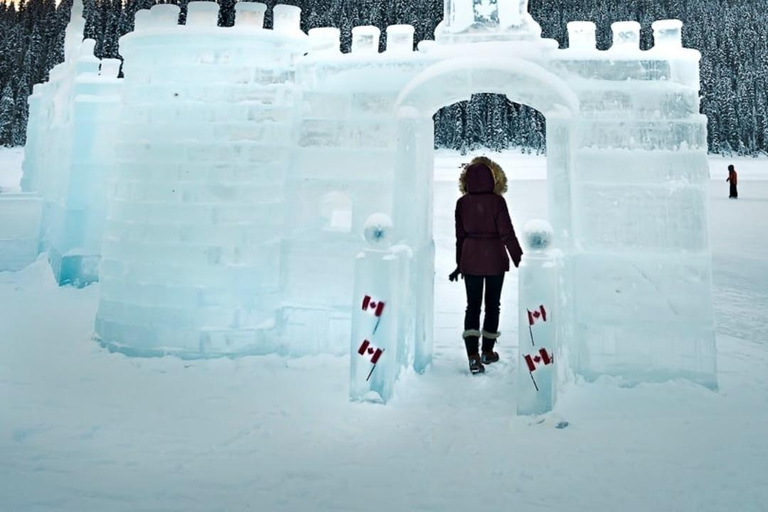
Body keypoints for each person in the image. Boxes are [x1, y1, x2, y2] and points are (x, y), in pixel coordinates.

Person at [449, 156, 523, 375]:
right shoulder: (497, 202)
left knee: (472, 306)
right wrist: (521, 261)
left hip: (470, 259)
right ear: (492, 179)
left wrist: (459, 264)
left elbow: (459, 237)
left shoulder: (462, 203)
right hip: (494, 260)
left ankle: (472, 356)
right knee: (493, 305)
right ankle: (487, 352)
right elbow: (507, 233)